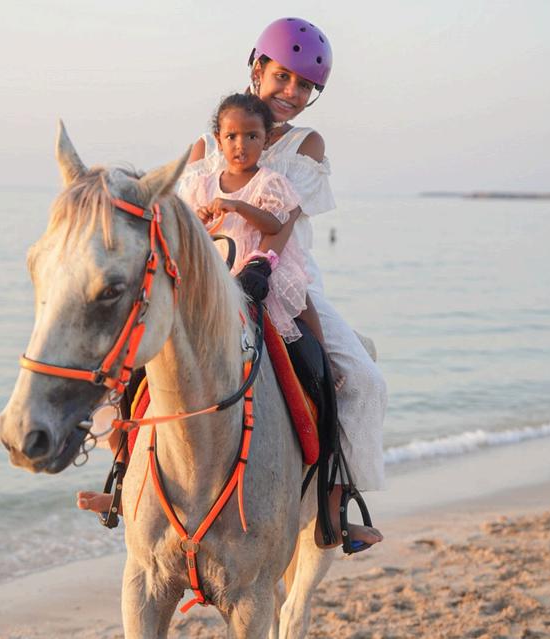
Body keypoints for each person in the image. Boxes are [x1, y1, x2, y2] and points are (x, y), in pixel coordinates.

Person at [79, 17, 385, 550]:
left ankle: (334, 504)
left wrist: (260, 265)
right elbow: (185, 222)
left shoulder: (306, 145)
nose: (292, 92)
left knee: (362, 380)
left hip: (279, 278)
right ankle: (124, 479)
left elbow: (283, 223)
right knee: (123, 356)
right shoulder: (208, 144)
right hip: (209, 279)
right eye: (283, 76)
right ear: (257, 69)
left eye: (305, 86)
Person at [179, 92, 319, 344]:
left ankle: (323, 359)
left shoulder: (269, 182)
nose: (241, 145)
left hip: (258, 267)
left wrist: (239, 206)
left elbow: (275, 224)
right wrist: (200, 218)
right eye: (231, 137)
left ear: (266, 140)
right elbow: (190, 233)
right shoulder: (204, 184)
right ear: (219, 141)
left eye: (252, 136)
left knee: (298, 299)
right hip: (218, 267)